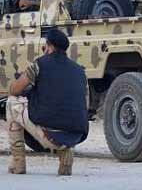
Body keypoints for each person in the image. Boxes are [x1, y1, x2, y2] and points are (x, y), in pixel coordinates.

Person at [6, 29, 88, 176]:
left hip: (49, 134)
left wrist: (29, 86)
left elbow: (14, 90)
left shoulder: (39, 64)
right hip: (75, 136)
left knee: (12, 102)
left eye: (45, 47)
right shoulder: (79, 71)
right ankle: (66, 152)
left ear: (49, 46)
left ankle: (18, 163)